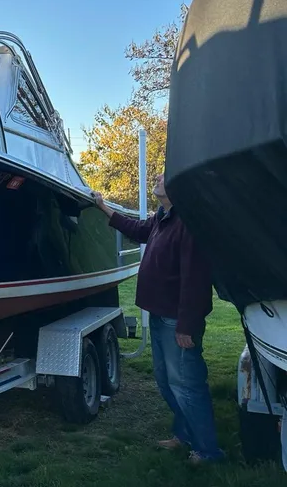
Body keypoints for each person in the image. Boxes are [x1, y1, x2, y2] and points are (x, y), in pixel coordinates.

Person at [93, 173, 224, 464]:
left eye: (164, 175)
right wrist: (103, 207)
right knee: (166, 382)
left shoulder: (189, 222)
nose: (157, 176)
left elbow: (196, 279)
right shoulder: (163, 218)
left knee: (187, 385)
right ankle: (184, 434)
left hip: (177, 321)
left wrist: (186, 325)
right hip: (159, 315)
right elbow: (136, 229)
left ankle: (208, 452)